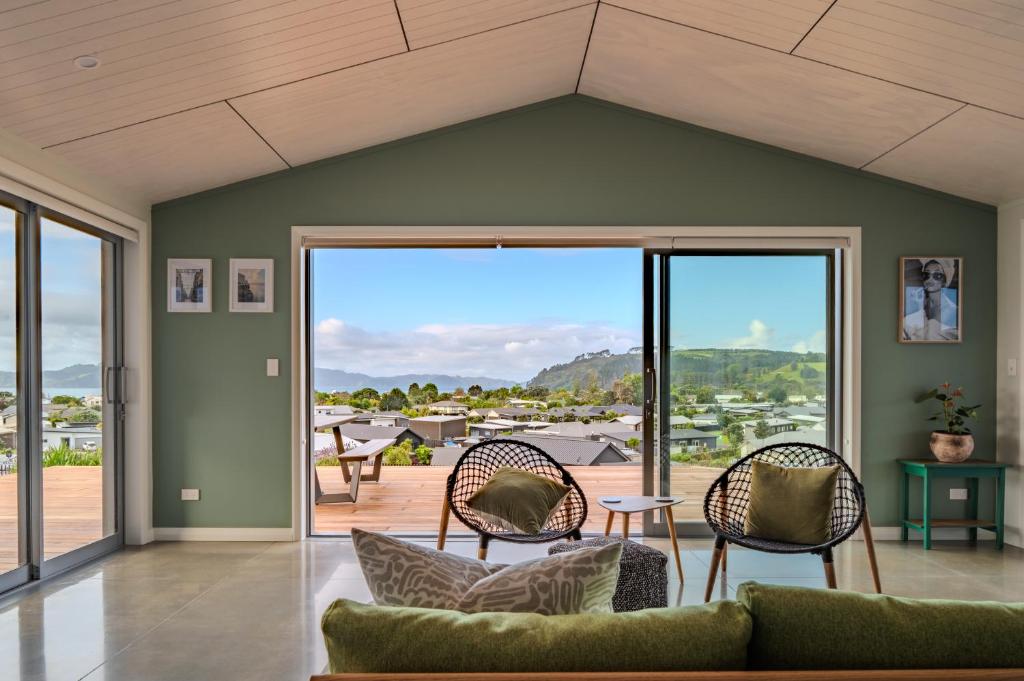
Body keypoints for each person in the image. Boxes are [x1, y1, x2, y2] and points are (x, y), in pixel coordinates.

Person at [903, 258, 958, 341]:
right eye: (926, 274)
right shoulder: (912, 315)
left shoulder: (954, 312)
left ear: (945, 280)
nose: (930, 279)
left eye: (937, 275)